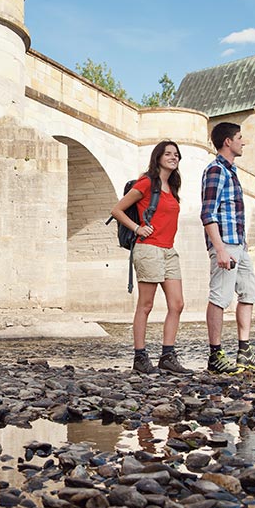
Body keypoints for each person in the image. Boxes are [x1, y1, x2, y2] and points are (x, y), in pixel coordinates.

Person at [110, 140, 190, 374]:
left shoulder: (172, 187)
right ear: (158, 158)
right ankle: (140, 357)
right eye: (168, 154)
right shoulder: (146, 183)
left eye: (176, 154)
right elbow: (117, 210)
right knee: (146, 305)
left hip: (168, 250)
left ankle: (167, 355)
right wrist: (137, 228)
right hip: (149, 248)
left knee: (177, 304)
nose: (173, 157)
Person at [200, 122, 255, 373]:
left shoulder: (232, 171)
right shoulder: (216, 170)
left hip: (239, 244)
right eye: (239, 137)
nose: (243, 141)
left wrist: (242, 246)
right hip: (225, 244)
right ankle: (215, 355)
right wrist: (220, 249)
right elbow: (208, 213)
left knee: (249, 292)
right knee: (219, 297)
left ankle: (244, 352)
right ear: (227, 141)